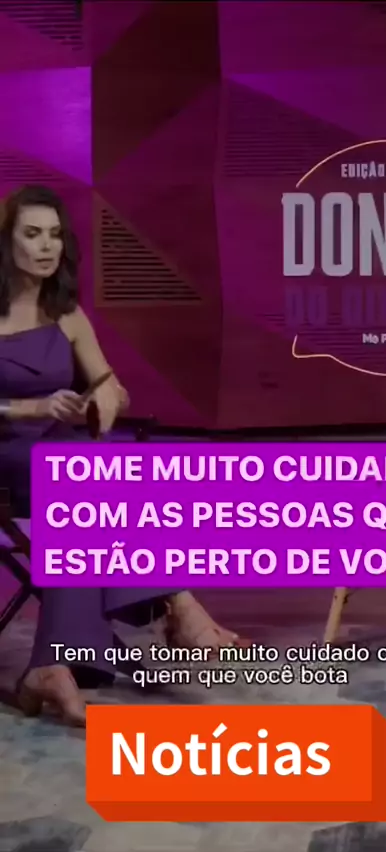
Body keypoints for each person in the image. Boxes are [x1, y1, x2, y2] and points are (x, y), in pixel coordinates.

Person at [0, 185, 246, 727]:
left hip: (60, 459)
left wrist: (104, 400)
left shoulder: (66, 315)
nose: (47, 246)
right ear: (6, 242)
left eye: (55, 235)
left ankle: (51, 667)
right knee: (91, 480)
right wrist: (30, 407)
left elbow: (108, 384)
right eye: (32, 234)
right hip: (6, 456)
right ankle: (178, 605)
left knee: (83, 480)